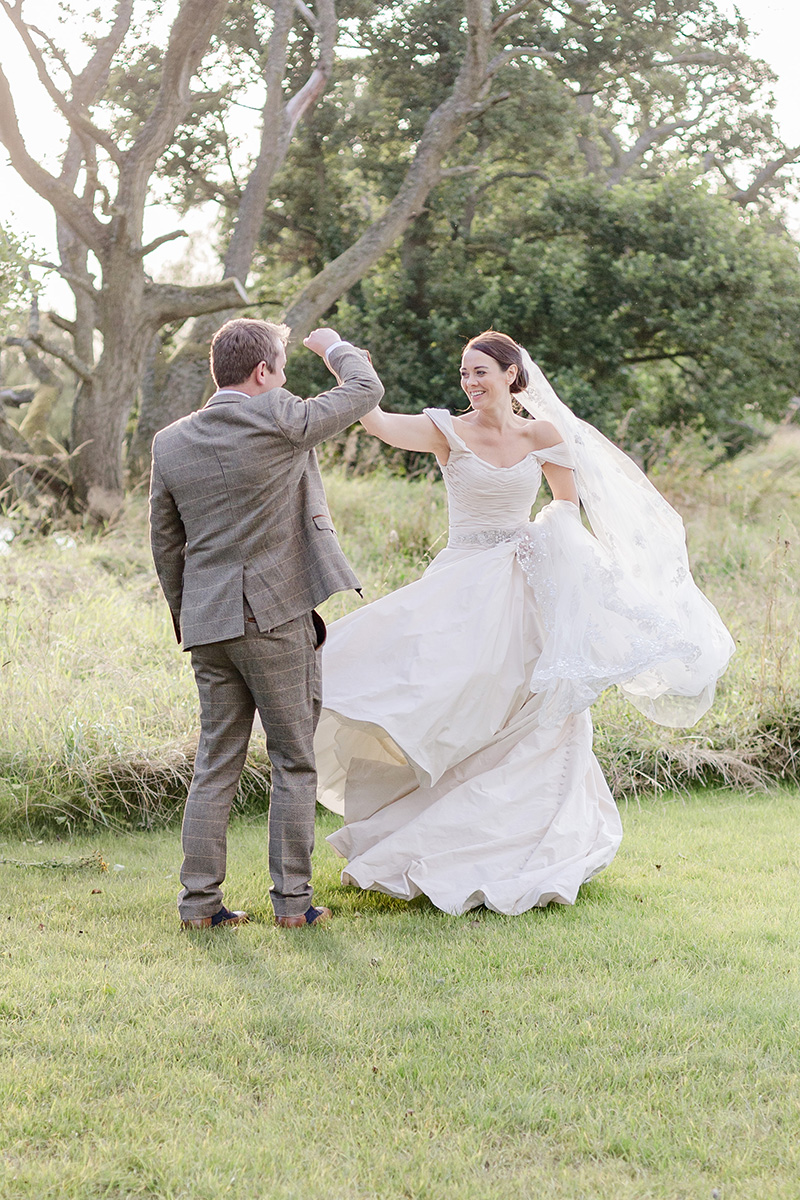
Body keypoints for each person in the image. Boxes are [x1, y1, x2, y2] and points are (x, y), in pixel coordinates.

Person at [314, 331, 734, 915]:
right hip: (464, 581)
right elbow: (377, 421)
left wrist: (546, 541)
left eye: (481, 371)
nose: (470, 382)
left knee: (538, 715)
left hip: (525, 584)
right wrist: (340, 354)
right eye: (464, 373)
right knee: (441, 694)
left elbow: (565, 503)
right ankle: (420, 831)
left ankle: (531, 847)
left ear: (513, 376)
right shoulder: (448, 430)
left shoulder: (544, 434)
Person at [149, 318, 384, 930]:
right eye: (280, 367)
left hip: (207, 622)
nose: (284, 378)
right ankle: (292, 904)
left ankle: (198, 906)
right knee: (293, 761)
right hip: (275, 617)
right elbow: (365, 391)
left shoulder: (170, 442)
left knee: (214, 764)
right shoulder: (280, 416)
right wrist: (334, 347)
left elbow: (165, 546)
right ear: (263, 373)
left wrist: (190, 616)